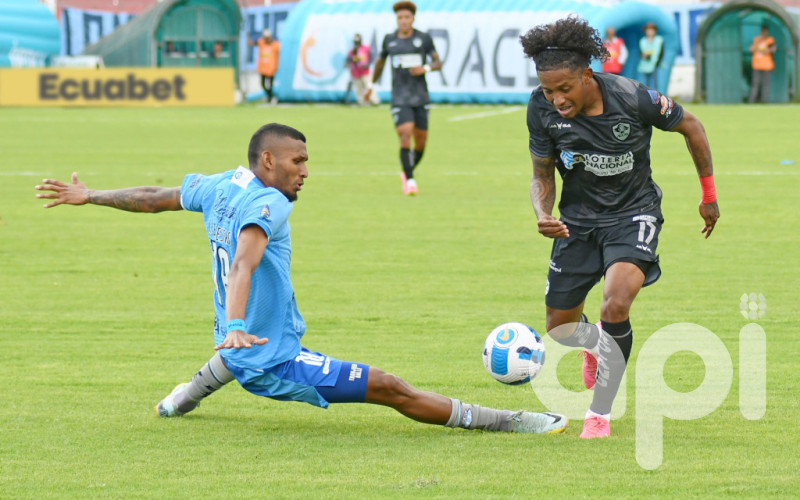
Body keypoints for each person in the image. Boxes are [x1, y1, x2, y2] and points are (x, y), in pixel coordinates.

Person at [34, 123, 568, 436]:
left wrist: (92, 195)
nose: (305, 171)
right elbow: (244, 260)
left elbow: (157, 198)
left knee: (235, 355)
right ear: (268, 160)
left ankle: (181, 398)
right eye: (298, 161)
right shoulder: (268, 204)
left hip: (236, 338)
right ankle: (508, 421)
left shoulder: (220, 185)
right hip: (270, 355)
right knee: (388, 387)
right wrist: (240, 322)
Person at [520, 16, 719, 439]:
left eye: (564, 89)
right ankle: (593, 344)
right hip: (576, 223)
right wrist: (543, 212)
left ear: (587, 75)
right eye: (548, 90)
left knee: (616, 305)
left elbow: (692, 126)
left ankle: (600, 413)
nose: (555, 99)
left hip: (634, 214)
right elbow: (542, 173)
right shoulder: (539, 108)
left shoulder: (633, 97)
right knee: (559, 329)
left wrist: (708, 195)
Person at [366, 0, 442, 196]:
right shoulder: (390, 40)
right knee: (405, 133)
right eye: (400, 17)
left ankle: (406, 170)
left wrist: (424, 68)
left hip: (420, 96)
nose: (404, 21)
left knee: (422, 141)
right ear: (397, 19)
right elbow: (381, 64)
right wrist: (371, 85)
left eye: (407, 17)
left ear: (413, 18)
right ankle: (410, 181)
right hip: (400, 96)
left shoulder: (423, 39)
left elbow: (437, 62)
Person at [344, 33, 378, 106]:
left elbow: (372, 57)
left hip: (365, 72)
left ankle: (375, 101)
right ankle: (362, 103)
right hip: (355, 72)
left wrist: (368, 64)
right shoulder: (352, 51)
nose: (357, 43)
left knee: (369, 87)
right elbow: (347, 60)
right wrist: (351, 60)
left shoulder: (366, 48)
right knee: (358, 89)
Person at [748, 24, 777, 103]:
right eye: (763, 31)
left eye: (766, 31)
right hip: (756, 65)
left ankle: (764, 101)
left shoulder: (770, 40)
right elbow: (751, 49)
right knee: (755, 83)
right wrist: (759, 47)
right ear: (761, 32)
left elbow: (772, 50)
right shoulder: (756, 40)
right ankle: (752, 100)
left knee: (765, 84)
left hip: (767, 66)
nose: (765, 33)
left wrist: (763, 50)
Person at [251, 29, 281, 104]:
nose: (266, 39)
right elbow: (251, 43)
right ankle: (270, 97)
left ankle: (271, 97)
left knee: (270, 85)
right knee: (263, 84)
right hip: (263, 68)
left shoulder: (275, 45)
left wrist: (277, 66)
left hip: (271, 68)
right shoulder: (261, 42)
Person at [637, 22, 664, 90]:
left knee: (655, 83)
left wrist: (656, 62)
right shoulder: (642, 41)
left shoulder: (659, 40)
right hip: (645, 65)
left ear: (655, 31)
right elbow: (640, 52)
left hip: (656, 65)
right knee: (646, 84)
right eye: (648, 30)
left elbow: (661, 53)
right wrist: (643, 56)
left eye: (651, 30)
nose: (649, 32)